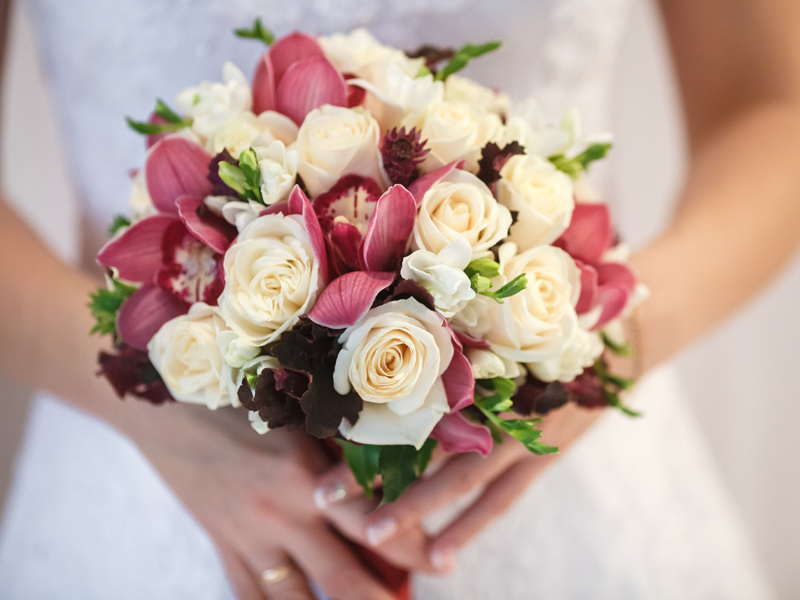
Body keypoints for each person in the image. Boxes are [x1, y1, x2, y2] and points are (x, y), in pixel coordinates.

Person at [0, 0, 798, 598]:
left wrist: (615, 343)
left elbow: (774, 111)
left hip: (566, 463)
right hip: (148, 463)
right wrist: (150, 412)